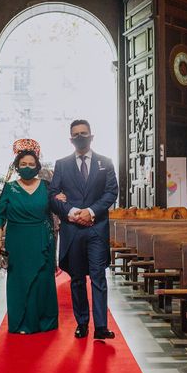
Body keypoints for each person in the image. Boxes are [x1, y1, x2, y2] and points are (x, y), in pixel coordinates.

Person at [49, 120, 118, 340]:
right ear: (71, 139)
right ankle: (82, 323)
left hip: (97, 228)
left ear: (91, 136)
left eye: (84, 133)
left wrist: (91, 211)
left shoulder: (105, 163)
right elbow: (52, 196)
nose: (80, 137)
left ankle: (101, 326)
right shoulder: (61, 164)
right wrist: (72, 212)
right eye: (76, 134)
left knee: (98, 277)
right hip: (72, 229)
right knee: (77, 278)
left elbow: (111, 192)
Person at [0, 148, 59, 334]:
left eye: (31, 164)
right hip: (17, 241)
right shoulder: (9, 188)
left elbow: (58, 207)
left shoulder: (47, 186)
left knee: (42, 281)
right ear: (17, 167)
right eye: (23, 164)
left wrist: (63, 200)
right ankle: (21, 322)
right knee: (19, 281)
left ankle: (45, 321)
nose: (27, 167)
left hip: (43, 239)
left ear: (37, 166)